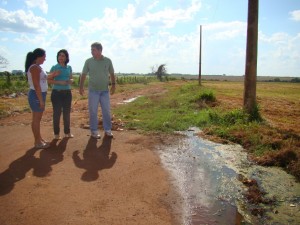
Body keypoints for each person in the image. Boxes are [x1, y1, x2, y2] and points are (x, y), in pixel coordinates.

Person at [79, 42, 116, 139]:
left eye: (93, 50)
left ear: (100, 50)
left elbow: (112, 73)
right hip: (93, 91)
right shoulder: (88, 61)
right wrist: (81, 86)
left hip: (105, 90)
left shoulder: (107, 61)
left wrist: (113, 85)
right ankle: (94, 131)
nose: (91, 52)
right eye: (91, 50)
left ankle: (108, 130)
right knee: (93, 111)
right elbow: (83, 74)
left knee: (106, 111)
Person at [25, 48, 59, 149]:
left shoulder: (37, 67)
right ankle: (37, 142)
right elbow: (36, 85)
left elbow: (43, 78)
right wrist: (40, 100)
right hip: (36, 95)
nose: (45, 58)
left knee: (37, 119)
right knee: (36, 119)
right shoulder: (35, 68)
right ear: (38, 57)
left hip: (38, 95)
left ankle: (39, 139)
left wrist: (53, 75)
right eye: (44, 56)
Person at [47, 49, 74, 140]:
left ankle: (67, 132)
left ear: (66, 57)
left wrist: (71, 81)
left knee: (67, 113)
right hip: (56, 93)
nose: (61, 57)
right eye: (59, 55)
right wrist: (59, 81)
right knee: (57, 113)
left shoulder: (69, 67)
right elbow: (48, 80)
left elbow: (71, 79)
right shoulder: (54, 67)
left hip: (67, 93)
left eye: (63, 56)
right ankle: (56, 134)